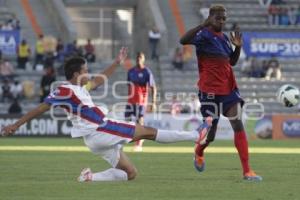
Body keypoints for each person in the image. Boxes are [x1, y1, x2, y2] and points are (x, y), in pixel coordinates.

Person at [1, 47, 212, 182]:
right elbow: (41, 108)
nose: (87, 72)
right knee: (148, 132)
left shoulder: (80, 89)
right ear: (76, 74)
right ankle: (197, 135)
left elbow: (99, 80)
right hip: (100, 129)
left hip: (94, 138)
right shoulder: (65, 90)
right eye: (84, 70)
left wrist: (117, 62)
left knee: (130, 174)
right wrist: (15, 125)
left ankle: (89, 177)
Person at [180, 5, 262, 181]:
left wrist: (238, 47)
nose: (222, 21)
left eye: (224, 18)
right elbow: (183, 40)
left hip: (228, 90)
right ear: (211, 18)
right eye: (218, 18)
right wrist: (203, 24)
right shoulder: (203, 35)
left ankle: (247, 171)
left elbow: (231, 61)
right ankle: (199, 151)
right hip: (209, 91)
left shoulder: (224, 38)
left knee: (238, 124)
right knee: (211, 135)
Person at [125, 52, 156, 152]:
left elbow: (153, 87)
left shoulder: (147, 72)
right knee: (127, 120)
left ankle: (139, 144)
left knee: (139, 121)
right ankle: (125, 140)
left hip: (141, 101)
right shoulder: (130, 71)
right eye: (137, 57)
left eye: (141, 57)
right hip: (131, 101)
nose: (138, 59)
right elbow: (129, 86)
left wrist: (153, 102)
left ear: (143, 59)